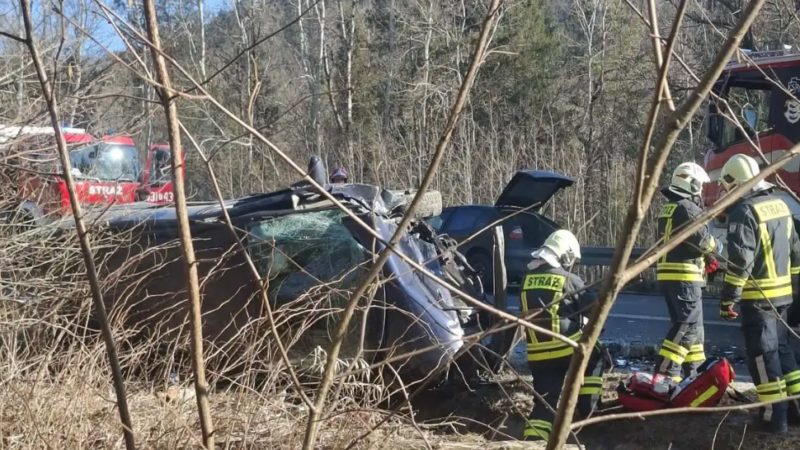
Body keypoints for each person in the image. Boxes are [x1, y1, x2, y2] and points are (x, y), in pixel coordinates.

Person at [718, 153, 800, 434]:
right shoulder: (781, 205)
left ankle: (772, 417)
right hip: (784, 297)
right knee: (784, 352)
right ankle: (796, 409)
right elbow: (796, 253)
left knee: (764, 358)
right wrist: (795, 289)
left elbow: (740, 262)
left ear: (737, 183)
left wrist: (728, 298)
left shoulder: (744, 212)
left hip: (759, 299)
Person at [521, 229, 609, 442]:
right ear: (565, 255)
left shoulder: (526, 279)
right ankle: (588, 410)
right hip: (567, 349)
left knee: (544, 403)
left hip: (537, 355)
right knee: (597, 354)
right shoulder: (569, 280)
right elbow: (595, 310)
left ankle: (532, 441)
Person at [653, 162, 722, 383]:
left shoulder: (670, 207)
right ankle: (665, 373)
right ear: (691, 184)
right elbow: (702, 241)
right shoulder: (688, 208)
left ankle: (695, 376)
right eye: (699, 186)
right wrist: (717, 247)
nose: (700, 191)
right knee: (687, 327)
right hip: (684, 276)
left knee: (695, 331)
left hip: (672, 275)